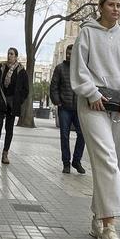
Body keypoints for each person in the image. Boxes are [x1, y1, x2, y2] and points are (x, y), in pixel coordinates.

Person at [70, 0, 120, 239]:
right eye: (111, 4)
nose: (116, 8)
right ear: (100, 8)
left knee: (114, 163)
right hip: (92, 105)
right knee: (107, 159)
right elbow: (79, 68)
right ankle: (110, 229)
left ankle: (97, 219)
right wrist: (91, 93)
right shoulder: (86, 34)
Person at [49, 45, 86, 174]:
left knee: (83, 134)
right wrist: (57, 101)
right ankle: (66, 163)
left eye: (72, 54)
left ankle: (77, 160)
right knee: (64, 135)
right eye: (68, 54)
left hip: (78, 108)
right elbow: (53, 86)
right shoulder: (60, 68)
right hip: (64, 107)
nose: (69, 56)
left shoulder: (81, 69)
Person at [0, 47, 29, 164]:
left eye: (12, 54)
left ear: (16, 56)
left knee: (9, 129)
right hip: (1, 102)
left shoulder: (21, 71)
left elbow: (25, 90)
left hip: (13, 104)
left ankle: (5, 153)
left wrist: (18, 101)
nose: (9, 56)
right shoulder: (1, 67)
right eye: (8, 54)